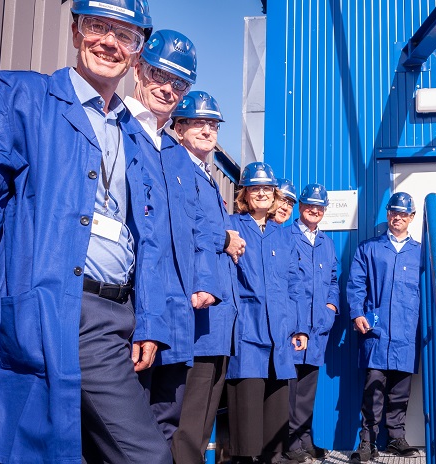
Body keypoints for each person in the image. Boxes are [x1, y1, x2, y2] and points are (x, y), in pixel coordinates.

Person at [0, 1, 174, 462]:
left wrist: (148, 320)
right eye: (98, 26)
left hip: (119, 316)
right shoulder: (23, 98)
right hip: (56, 309)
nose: (110, 42)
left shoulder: (136, 135)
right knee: (145, 454)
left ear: (136, 53)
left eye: (125, 35)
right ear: (75, 32)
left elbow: (149, 239)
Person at [124, 29, 221, 443]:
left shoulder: (176, 155)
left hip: (178, 309)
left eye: (179, 82)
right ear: (138, 70)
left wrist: (204, 280)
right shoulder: (118, 128)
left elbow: (200, 228)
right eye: (158, 75)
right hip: (131, 307)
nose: (167, 88)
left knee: (167, 420)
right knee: (126, 424)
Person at [170, 90, 245, 463]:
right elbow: (186, 228)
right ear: (179, 127)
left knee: (204, 415)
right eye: (198, 122)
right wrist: (225, 236)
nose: (207, 130)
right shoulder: (175, 165)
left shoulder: (207, 175)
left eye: (213, 124)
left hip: (217, 317)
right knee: (190, 415)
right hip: (198, 313)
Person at [226, 162, 309, 464]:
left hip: (280, 335)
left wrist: (299, 327)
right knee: (246, 428)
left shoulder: (285, 236)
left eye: (267, 189)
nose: (261, 193)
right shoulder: (231, 226)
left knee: (275, 426)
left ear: (275, 195)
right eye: (254, 188)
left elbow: (295, 284)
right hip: (246, 333)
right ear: (245, 194)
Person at [347, 192, 421, 462]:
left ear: (412, 217)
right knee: (373, 387)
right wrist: (357, 313)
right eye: (393, 212)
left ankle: (396, 438)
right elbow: (356, 284)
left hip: (407, 331)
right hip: (376, 331)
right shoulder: (369, 248)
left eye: (403, 213)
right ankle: (367, 441)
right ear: (387, 214)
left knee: (400, 389)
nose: (397, 217)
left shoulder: (421, 253)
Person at [283, 183, 340, 463]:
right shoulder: (286, 237)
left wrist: (331, 307)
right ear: (300, 207)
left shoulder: (327, 243)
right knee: (291, 386)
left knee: (307, 387)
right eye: (309, 206)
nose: (314, 210)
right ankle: (289, 441)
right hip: (295, 325)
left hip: (319, 326)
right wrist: (296, 324)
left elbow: (333, 280)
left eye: (320, 207)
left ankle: (304, 438)